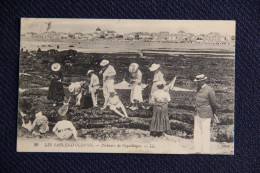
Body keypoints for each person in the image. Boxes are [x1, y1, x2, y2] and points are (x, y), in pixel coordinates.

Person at [193, 74, 217, 153]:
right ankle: (198, 150)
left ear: (203, 81)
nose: (197, 83)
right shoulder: (198, 89)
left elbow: (213, 104)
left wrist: (213, 113)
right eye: (197, 82)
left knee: (205, 132)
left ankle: (205, 150)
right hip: (197, 114)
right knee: (197, 132)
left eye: (199, 82)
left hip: (206, 114)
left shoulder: (210, 90)